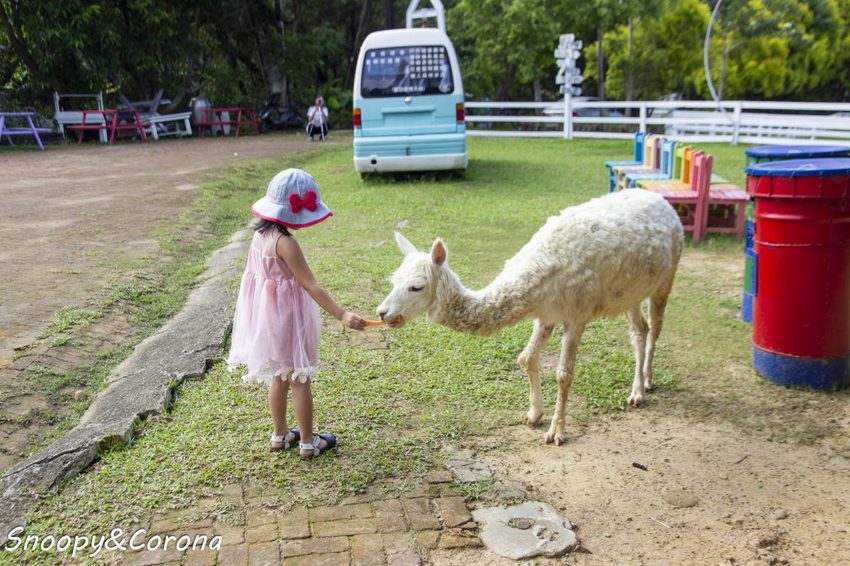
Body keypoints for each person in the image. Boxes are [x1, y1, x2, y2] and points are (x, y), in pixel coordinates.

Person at [227, 168, 366, 459]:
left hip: (267, 319)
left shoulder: (259, 237)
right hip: (289, 319)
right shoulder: (286, 243)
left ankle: (279, 435)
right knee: (300, 378)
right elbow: (311, 286)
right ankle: (307, 442)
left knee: (279, 376)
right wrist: (342, 315)